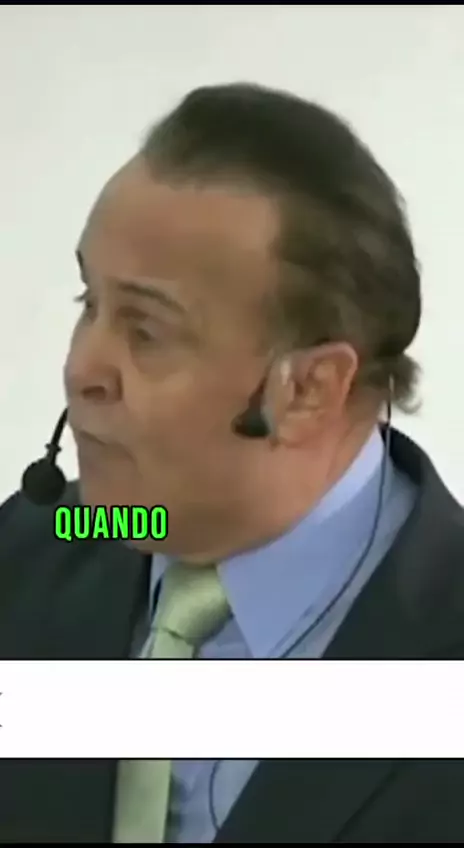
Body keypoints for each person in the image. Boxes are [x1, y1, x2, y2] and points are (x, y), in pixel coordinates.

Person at [1, 81, 464, 844]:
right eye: (90, 303)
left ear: (308, 390)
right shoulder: (36, 547)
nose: (82, 368)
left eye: (146, 332)